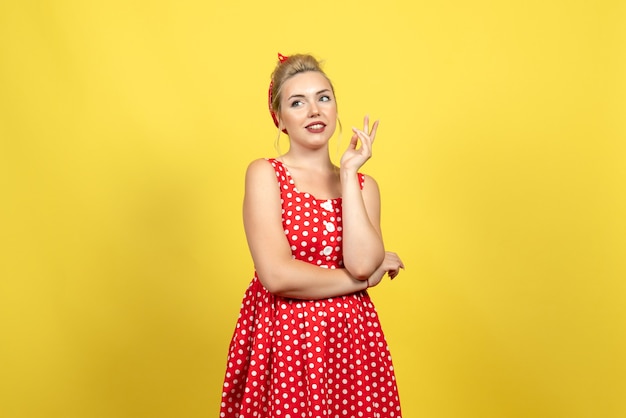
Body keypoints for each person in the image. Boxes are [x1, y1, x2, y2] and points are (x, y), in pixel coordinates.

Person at [219, 53, 405, 418]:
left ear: (335, 108)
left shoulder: (365, 186)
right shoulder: (265, 174)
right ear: (280, 119)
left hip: (350, 340)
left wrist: (349, 174)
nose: (313, 111)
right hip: (285, 335)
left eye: (323, 98)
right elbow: (277, 276)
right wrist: (363, 281)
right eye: (297, 102)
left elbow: (361, 261)